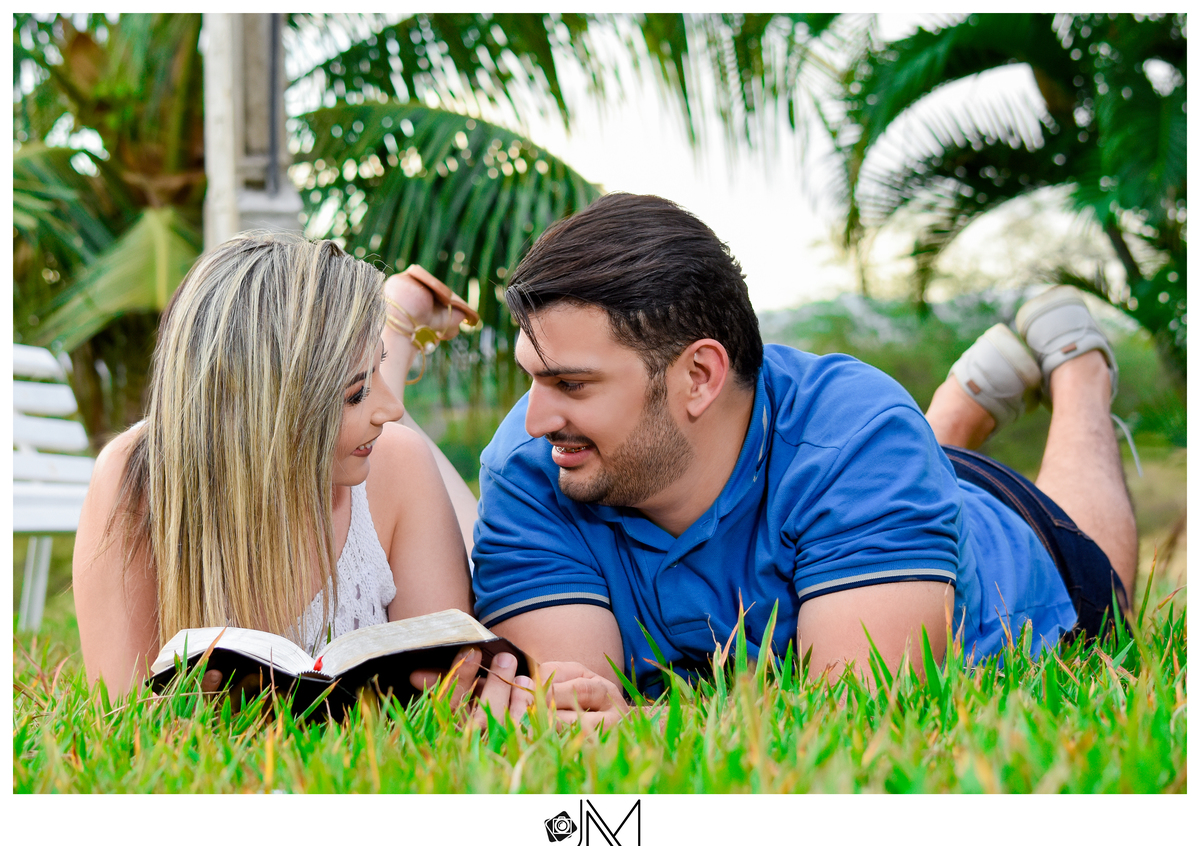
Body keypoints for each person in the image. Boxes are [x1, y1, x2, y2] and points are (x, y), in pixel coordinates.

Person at [469, 193, 1137, 729]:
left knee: (1095, 556)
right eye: (533, 379)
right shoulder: (531, 468)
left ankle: (1078, 370)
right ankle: (958, 409)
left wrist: (640, 721)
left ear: (698, 376)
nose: (534, 420)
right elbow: (575, 712)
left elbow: (856, 716)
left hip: (1013, 540)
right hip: (870, 492)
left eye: (571, 383)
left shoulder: (862, 437)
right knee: (906, 463)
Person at [73, 232, 530, 716]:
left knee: (461, 509)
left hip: (392, 472)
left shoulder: (399, 461)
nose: (390, 409)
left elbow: (439, 685)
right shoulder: (136, 478)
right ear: (267, 407)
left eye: (376, 370)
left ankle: (393, 330)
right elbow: (122, 716)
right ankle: (395, 327)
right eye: (355, 393)